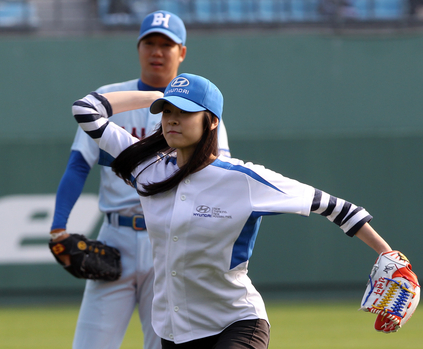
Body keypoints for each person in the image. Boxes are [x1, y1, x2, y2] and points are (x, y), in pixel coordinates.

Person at [71, 73, 393, 348]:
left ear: (211, 122)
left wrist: (388, 256)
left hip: (236, 324)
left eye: (184, 111)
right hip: (173, 333)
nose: (171, 118)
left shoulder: (243, 179)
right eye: (167, 110)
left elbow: (335, 207)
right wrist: (155, 95)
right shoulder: (148, 169)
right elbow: (86, 110)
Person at [49, 11, 231, 349]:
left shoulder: (201, 110)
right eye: (150, 42)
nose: (157, 51)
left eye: (166, 44)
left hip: (170, 241)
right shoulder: (111, 98)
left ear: (182, 52)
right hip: (115, 236)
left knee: (164, 345)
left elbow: (221, 180)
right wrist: (58, 227)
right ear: (138, 48)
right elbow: (78, 166)